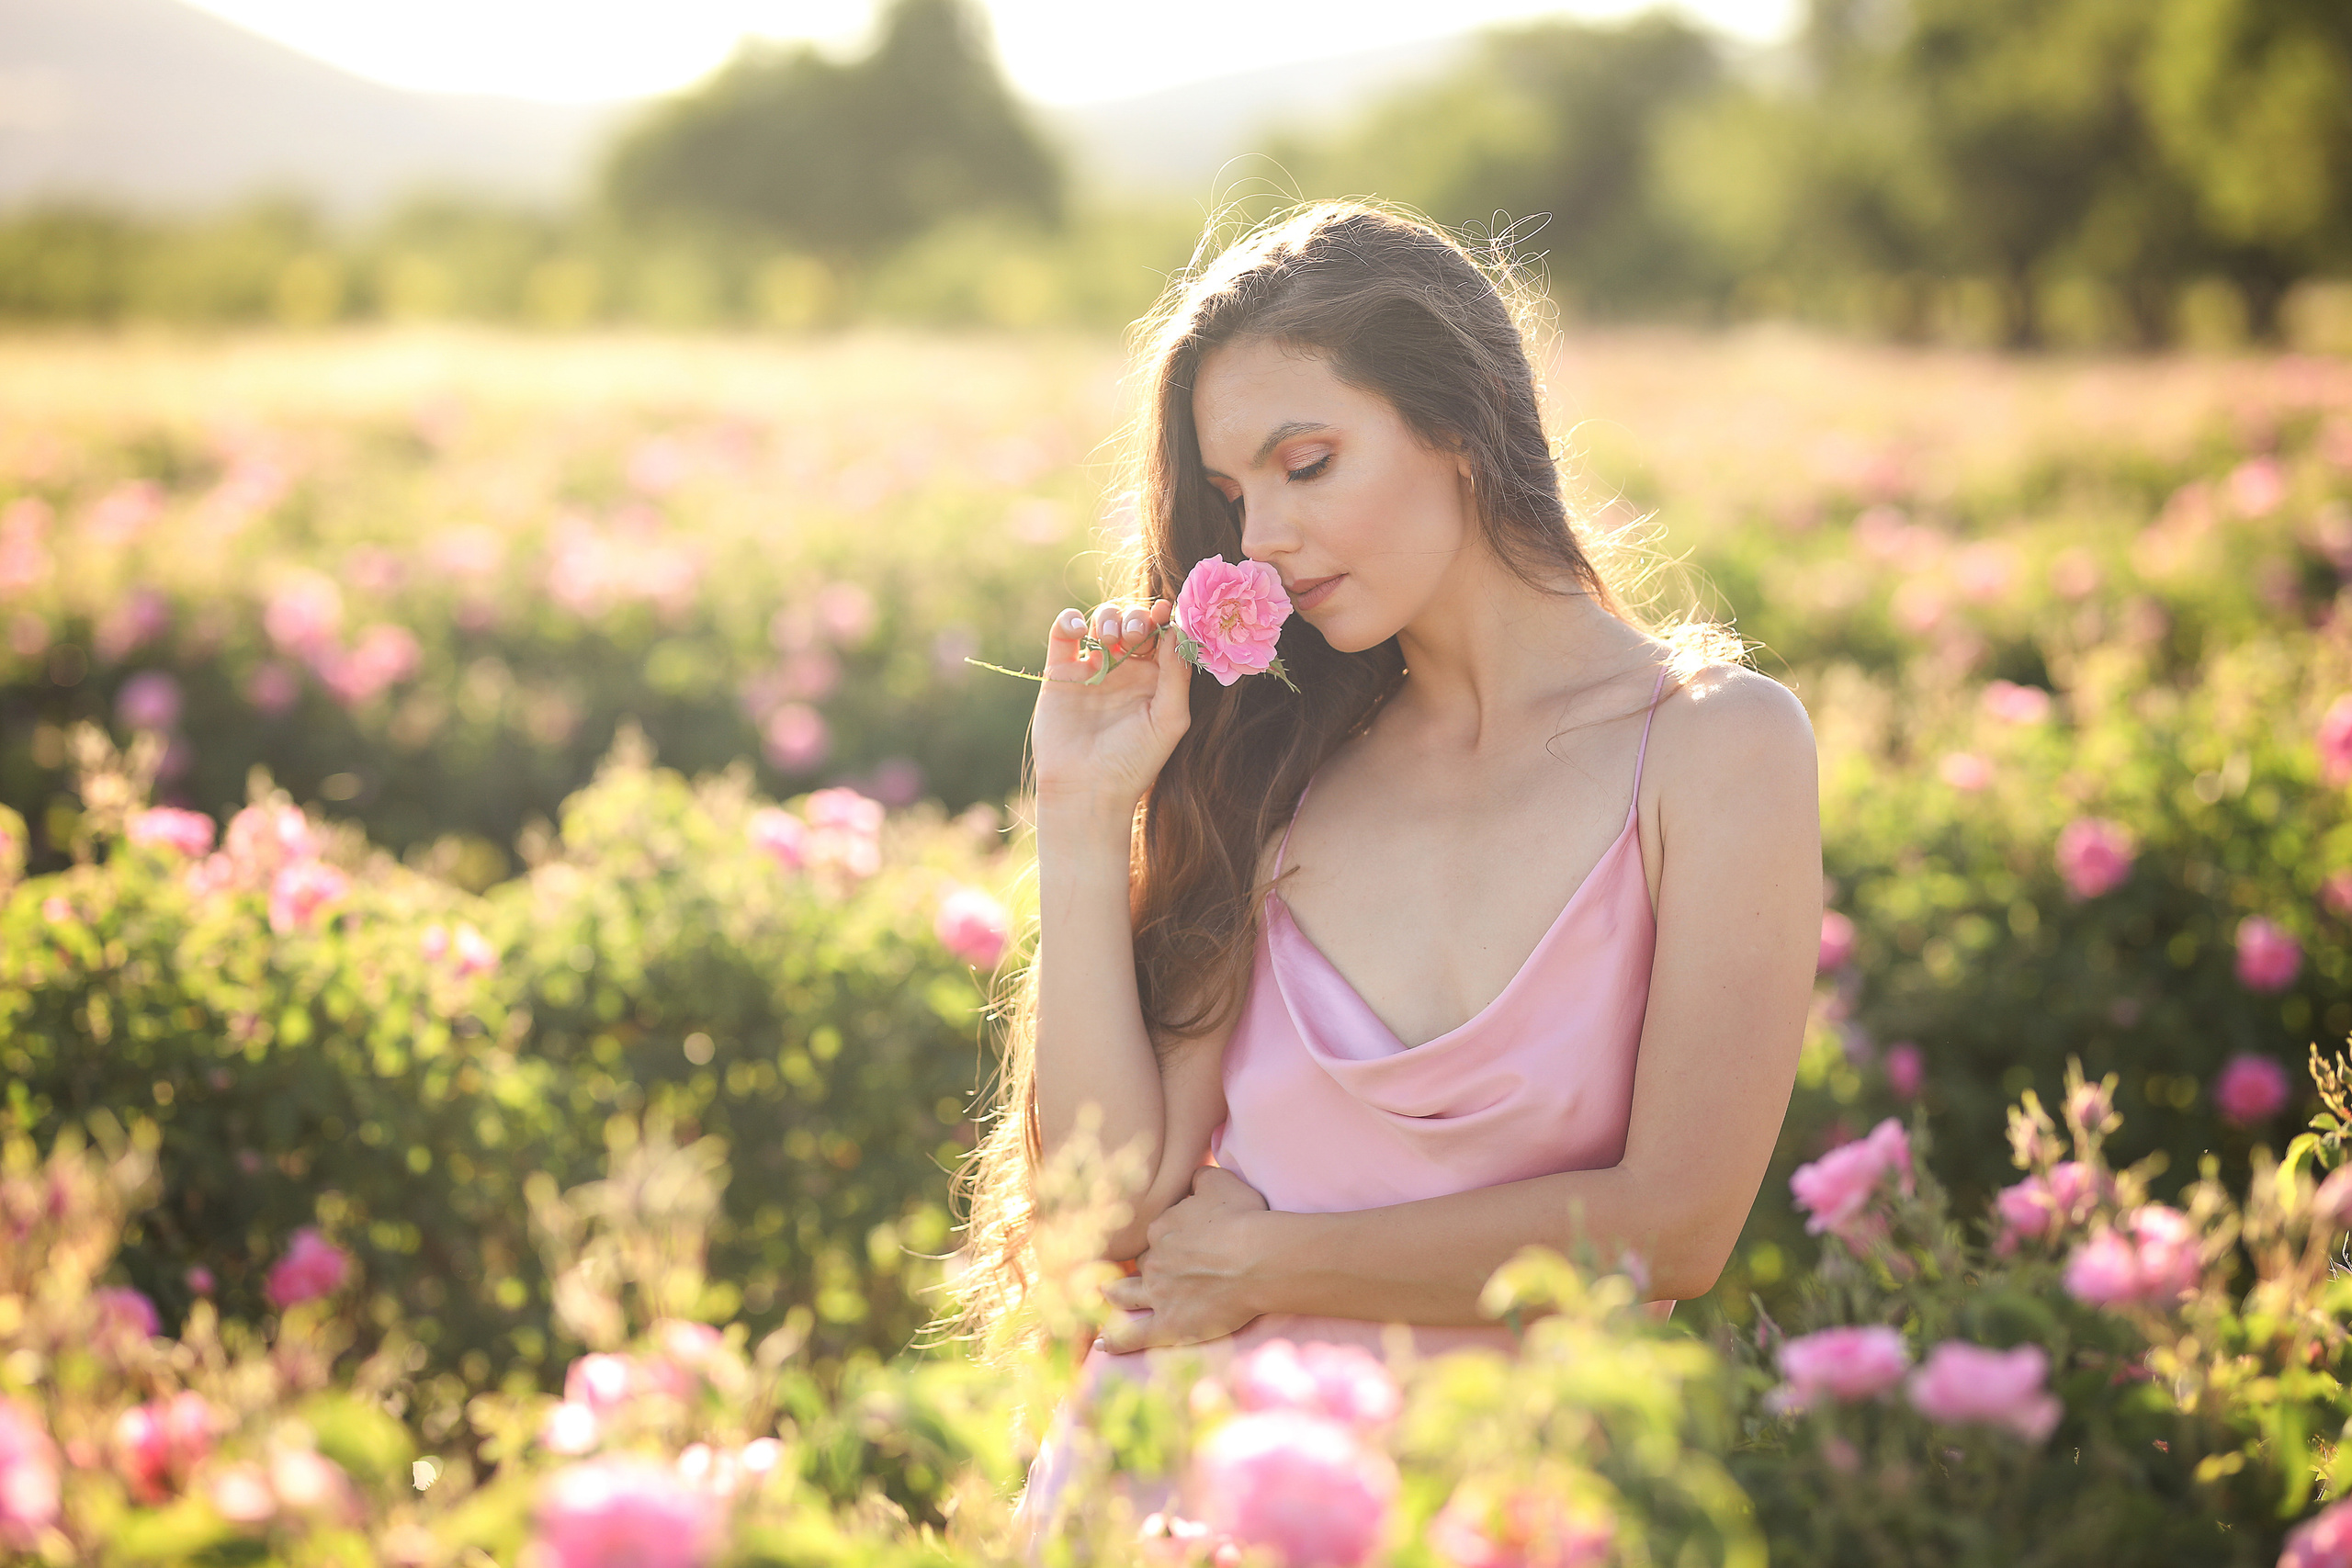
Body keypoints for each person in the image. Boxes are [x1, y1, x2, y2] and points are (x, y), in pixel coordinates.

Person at [954, 201, 1820, 1523]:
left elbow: (1678, 1226)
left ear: (1462, 423)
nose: (1258, 543)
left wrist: (1271, 1265)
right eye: (1234, 495)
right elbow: (1109, 1213)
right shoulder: (1279, 769)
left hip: (1484, 1514)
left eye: (1308, 463)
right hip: (1172, 1495)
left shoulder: (1716, 749)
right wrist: (1079, 818)